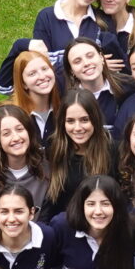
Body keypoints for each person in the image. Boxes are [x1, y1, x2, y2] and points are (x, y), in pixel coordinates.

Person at [0, 0, 111, 94]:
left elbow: (115, 68)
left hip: (96, 98)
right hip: (58, 97)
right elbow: (44, 65)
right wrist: (20, 44)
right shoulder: (47, 17)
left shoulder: (102, 20)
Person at [46, 175, 135, 269]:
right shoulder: (62, 227)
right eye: (91, 204)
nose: (98, 211)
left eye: (105, 204)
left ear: (116, 206)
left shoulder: (127, 232)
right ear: (81, 206)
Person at [45, 90, 119, 218]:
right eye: (70, 121)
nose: (78, 128)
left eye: (84, 120)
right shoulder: (54, 148)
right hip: (65, 222)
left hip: (102, 221)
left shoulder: (113, 150)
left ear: (95, 119)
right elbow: (50, 200)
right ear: (63, 123)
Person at [60, 39, 129, 126]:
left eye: (90, 56)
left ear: (101, 57)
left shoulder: (129, 86)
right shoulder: (67, 100)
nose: (86, 63)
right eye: (77, 61)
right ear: (71, 71)